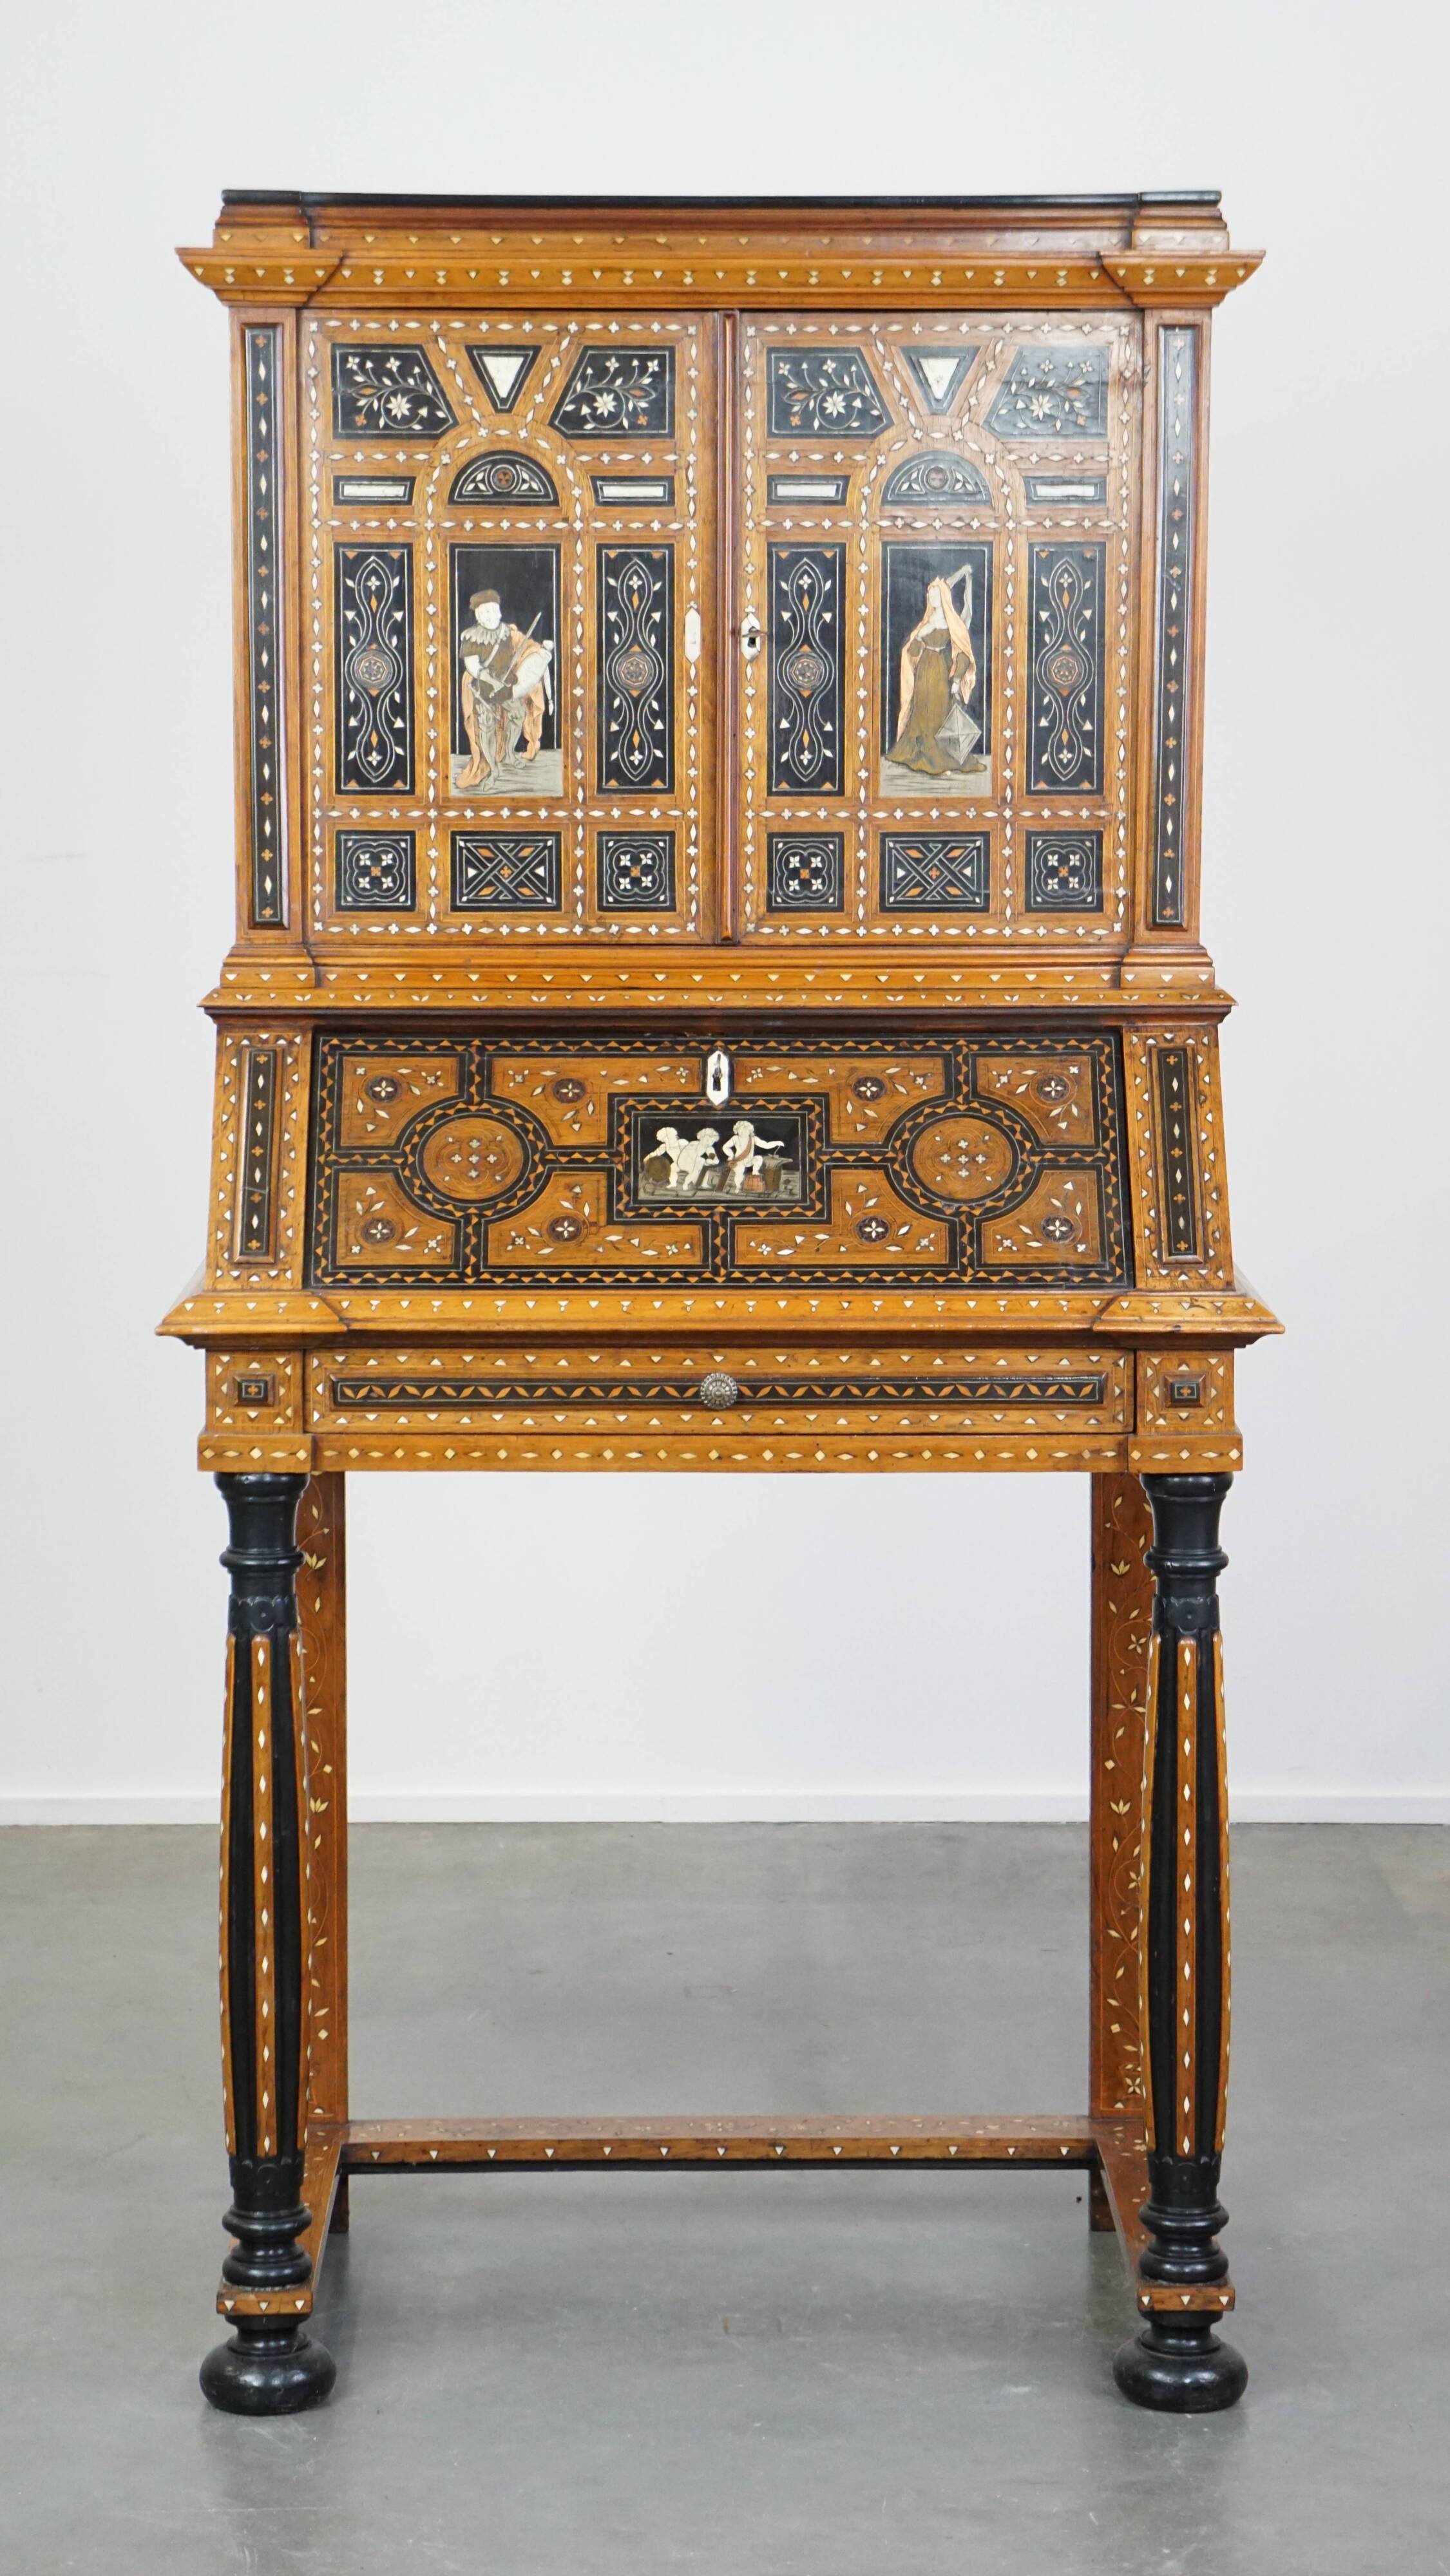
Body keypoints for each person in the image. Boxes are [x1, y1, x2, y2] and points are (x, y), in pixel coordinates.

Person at [891, 567, 980, 779]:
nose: (930, 596)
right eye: (929, 593)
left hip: (941, 669)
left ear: (943, 596)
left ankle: (940, 755)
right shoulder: (927, 622)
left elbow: (963, 652)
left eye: (935, 593)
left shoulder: (952, 622)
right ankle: (923, 751)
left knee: (939, 709)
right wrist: (917, 642)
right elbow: (913, 651)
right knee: (922, 710)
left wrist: (957, 680)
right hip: (924, 671)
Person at [456, 589, 549, 786]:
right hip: (484, 689)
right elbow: (473, 667)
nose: (490, 616)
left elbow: (527, 647)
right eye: (485, 613)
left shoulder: (508, 632)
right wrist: (492, 681)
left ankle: (508, 753)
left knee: (517, 715)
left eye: (493, 611)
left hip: (507, 686)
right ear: (478, 616)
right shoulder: (471, 637)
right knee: (487, 729)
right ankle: (492, 769)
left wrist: (540, 653)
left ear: (499, 612)